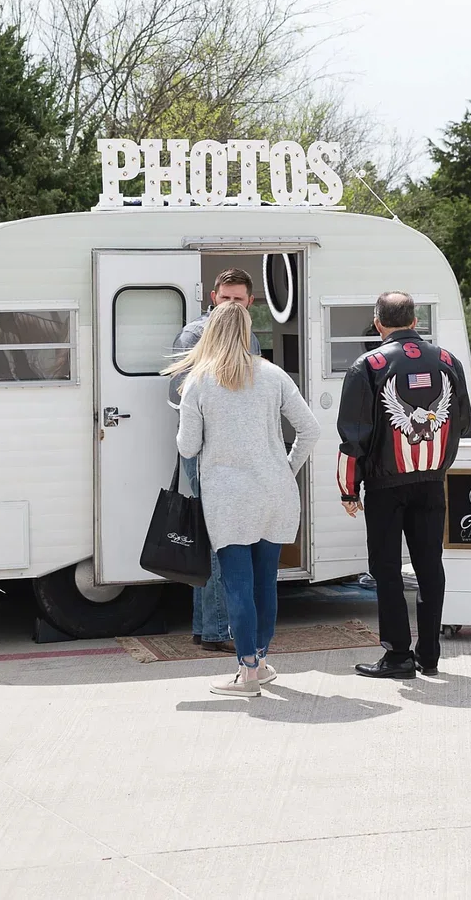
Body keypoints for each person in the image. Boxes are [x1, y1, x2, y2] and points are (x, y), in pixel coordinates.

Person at [169, 300, 320, 697]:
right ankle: (262, 662)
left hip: (229, 498)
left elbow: (188, 447)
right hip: (275, 492)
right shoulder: (273, 375)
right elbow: (310, 430)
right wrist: (287, 468)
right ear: (248, 331)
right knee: (265, 582)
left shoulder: (199, 381)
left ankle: (248, 672)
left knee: (237, 583)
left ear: (212, 333)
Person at [336, 291, 471, 678]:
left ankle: (397, 655)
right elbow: (461, 420)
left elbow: (353, 438)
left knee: (386, 569)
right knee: (430, 565)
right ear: (415, 322)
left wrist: (349, 489)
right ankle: (429, 654)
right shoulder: (448, 361)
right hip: (432, 482)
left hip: (385, 486)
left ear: (378, 323)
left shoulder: (368, 365)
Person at [169, 268, 262, 652]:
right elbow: (182, 397)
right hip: (208, 451)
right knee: (224, 539)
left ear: (250, 301)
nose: (231, 305)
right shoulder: (195, 335)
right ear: (212, 297)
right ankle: (217, 630)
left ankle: (205, 626)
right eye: (226, 298)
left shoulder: (251, 338)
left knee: (214, 538)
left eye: (238, 299)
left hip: (232, 452)